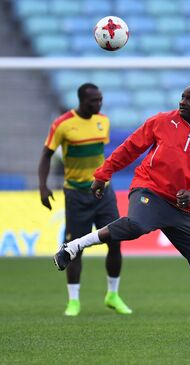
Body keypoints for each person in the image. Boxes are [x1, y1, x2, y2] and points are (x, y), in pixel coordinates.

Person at [53, 83, 190, 343]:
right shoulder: (161, 121)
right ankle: (74, 246)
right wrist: (103, 174)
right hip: (149, 190)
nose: (182, 101)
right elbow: (130, 148)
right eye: (182, 96)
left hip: (181, 206)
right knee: (137, 225)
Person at [38, 83, 132, 316]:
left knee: (115, 240)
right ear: (81, 100)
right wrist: (43, 185)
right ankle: (74, 301)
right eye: (94, 101)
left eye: (100, 100)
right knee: (75, 247)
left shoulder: (103, 122)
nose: (98, 104)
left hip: (103, 192)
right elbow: (46, 155)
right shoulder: (62, 124)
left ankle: (113, 294)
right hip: (76, 194)